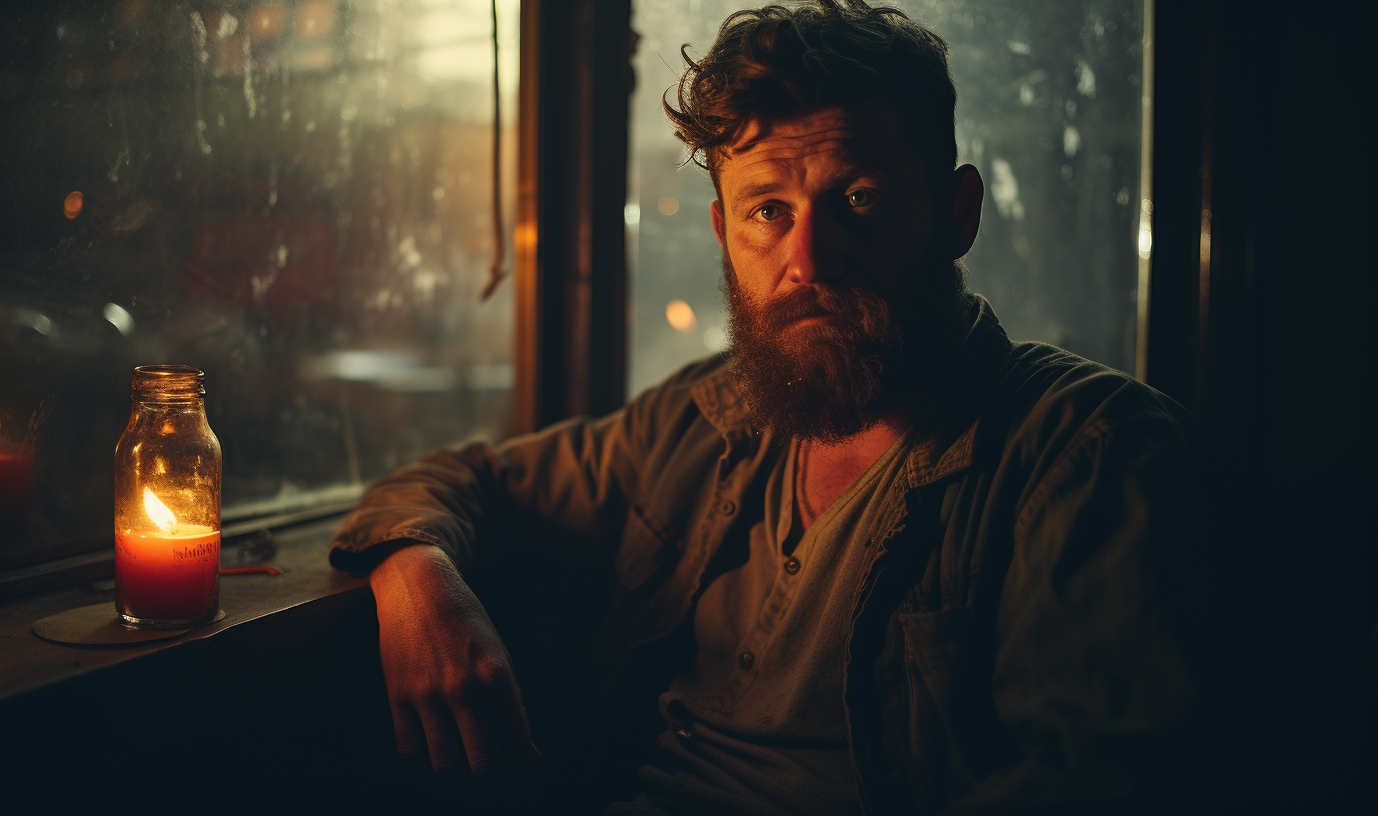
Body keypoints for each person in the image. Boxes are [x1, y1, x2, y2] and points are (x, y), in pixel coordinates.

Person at [329, 2, 1219, 813]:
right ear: (722, 231)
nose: (809, 259)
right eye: (767, 210)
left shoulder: (1086, 452)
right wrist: (415, 578)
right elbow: (467, 480)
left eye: (858, 199)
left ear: (956, 214)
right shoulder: (705, 418)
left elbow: (1099, 782)